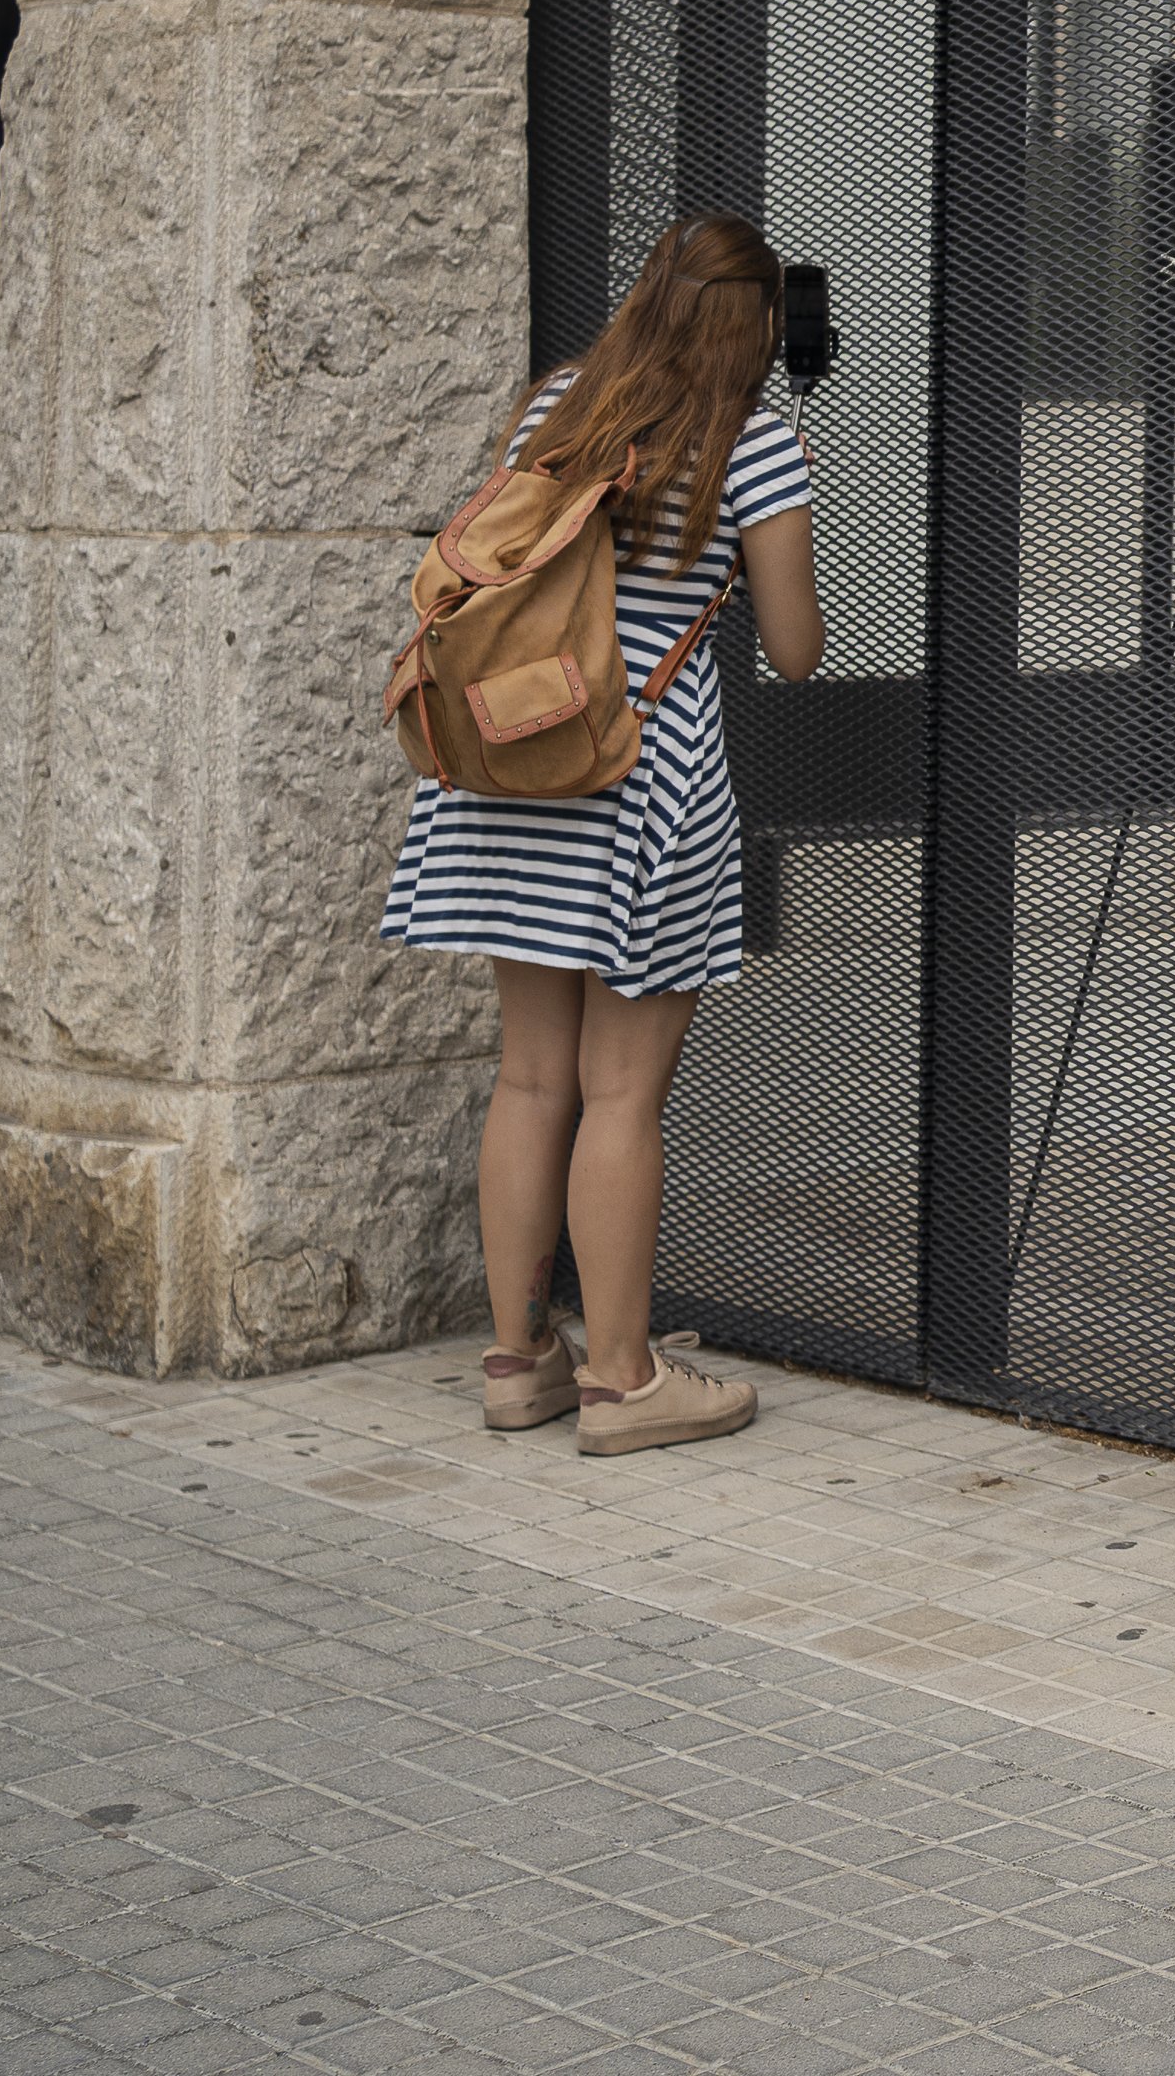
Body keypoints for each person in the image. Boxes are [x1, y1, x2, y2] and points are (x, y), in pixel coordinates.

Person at [382, 215, 825, 1459]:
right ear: (755, 328)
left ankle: (520, 1360)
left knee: (530, 1076)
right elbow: (795, 654)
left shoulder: (557, 413)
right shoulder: (755, 445)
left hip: (513, 767)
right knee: (623, 1092)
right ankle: (625, 1381)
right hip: (640, 783)